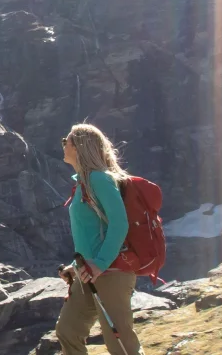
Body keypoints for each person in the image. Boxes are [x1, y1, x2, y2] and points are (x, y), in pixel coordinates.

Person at [55, 123, 143, 355]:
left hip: (111, 273)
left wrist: (100, 263)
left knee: (121, 345)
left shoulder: (99, 180)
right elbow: (92, 233)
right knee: (67, 331)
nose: (63, 145)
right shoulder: (83, 182)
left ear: (79, 146)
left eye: (67, 141)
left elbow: (119, 223)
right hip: (87, 273)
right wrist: (76, 268)